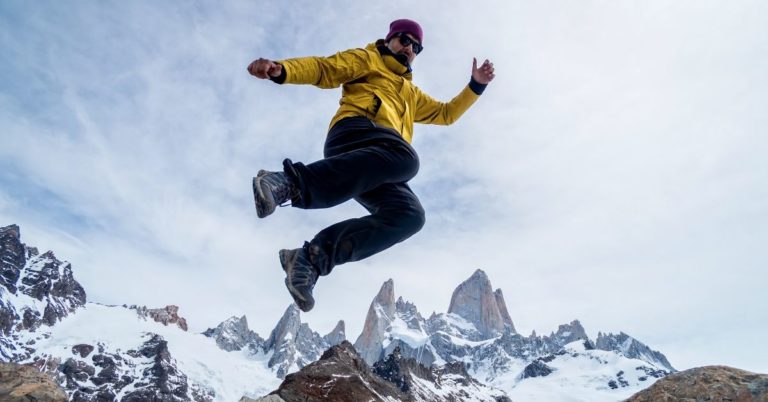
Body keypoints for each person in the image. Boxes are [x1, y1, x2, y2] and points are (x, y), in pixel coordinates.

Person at [247, 19, 495, 312]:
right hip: (354, 133)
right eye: (404, 40)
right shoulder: (368, 59)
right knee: (407, 159)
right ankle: (288, 183)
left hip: (382, 162)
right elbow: (324, 69)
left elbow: (446, 114)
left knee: (409, 216)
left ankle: (311, 259)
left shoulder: (411, 94)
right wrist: (282, 69)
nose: (409, 49)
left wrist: (476, 85)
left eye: (416, 47)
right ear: (390, 39)